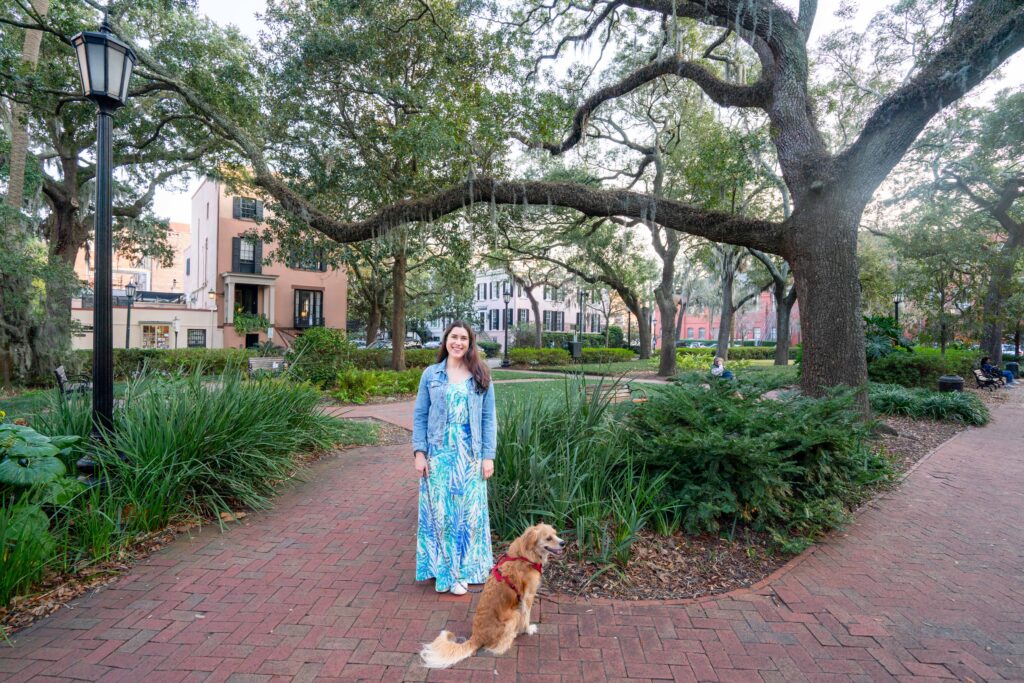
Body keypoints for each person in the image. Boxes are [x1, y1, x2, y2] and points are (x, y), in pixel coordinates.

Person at [413, 321, 496, 595]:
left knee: (468, 515)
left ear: (470, 343)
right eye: (453, 337)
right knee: (440, 513)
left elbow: (488, 418)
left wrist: (488, 456)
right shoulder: (431, 374)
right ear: (445, 340)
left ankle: (463, 572)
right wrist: (419, 453)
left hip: (470, 453)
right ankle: (443, 571)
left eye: (463, 338)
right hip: (439, 452)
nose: (458, 342)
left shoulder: (480, 375)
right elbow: (421, 415)